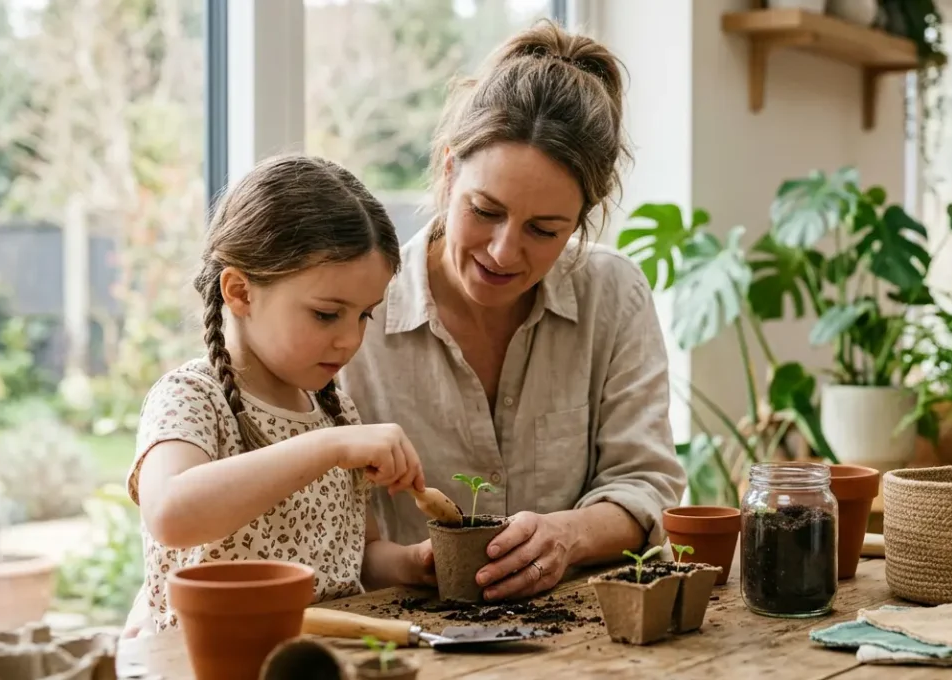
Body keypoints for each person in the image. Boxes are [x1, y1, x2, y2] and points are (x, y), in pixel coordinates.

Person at [338, 20, 687, 602]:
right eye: (485, 210)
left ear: (580, 220)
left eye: (544, 230)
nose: (504, 251)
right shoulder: (356, 313)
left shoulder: (613, 297)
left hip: (579, 639)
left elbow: (646, 483)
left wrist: (568, 535)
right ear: (450, 172)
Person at [123, 155, 436, 635]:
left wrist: (413, 563)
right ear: (241, 292)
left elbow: (359, 557)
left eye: (364, 316)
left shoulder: (334, 411)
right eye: (327, 314)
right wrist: (327, 449)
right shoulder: (191, 397)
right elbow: (170, 513)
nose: (350, 340)